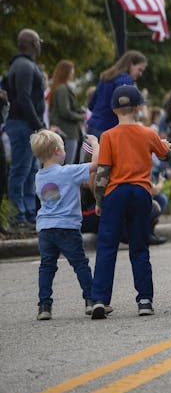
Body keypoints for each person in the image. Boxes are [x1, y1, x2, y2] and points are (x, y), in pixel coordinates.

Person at [89, 85, 171, 319]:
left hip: (115, 193)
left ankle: (99, 299)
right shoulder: (148, 134)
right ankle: (145, 300)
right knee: (139, 246)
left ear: (114, 109)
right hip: (140, 192)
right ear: (138, 108)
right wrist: (165, 145)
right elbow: (167, 156)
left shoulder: (107, 136)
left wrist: (99, 200)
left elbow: (103, 172)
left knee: (107, 246)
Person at [31, 129, 100, 319]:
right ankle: (91, 300)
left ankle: (44, 306)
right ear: (56, 151)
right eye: (63, 148)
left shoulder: (39, 176)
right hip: (67, 227)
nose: (65, 151)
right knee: (80, 264)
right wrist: (94, 144)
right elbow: (96, 165)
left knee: (47, 267)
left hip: (45, 229)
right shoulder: (68, 171)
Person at [6, 29, 47, 227]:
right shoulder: (23, 66)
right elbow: (24, 98)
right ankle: (18, 215)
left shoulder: (24, 64)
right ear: (32, 43)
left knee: (30, 169)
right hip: (23, 125)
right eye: (38, 41)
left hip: (26, 125)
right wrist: (39, 125)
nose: (40, 44)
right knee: (21, 169)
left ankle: (29, 212)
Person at [87, 51, 147, 140]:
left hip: (93, 126)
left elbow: (91, 104)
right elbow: (124, 109)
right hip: (108, 130)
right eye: (139, 69)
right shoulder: (125, 80)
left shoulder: (106, 77)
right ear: (131, 64)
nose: (140, 74)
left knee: (92, 153)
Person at [47, 60, 87, 165]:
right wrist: (81, 116)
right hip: (67, 132)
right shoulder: (62, 89)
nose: (73, 73)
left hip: (67, 132)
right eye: (71, 70)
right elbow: (65, 111)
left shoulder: (61, 88)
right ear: (66, 72)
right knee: (66, 166)